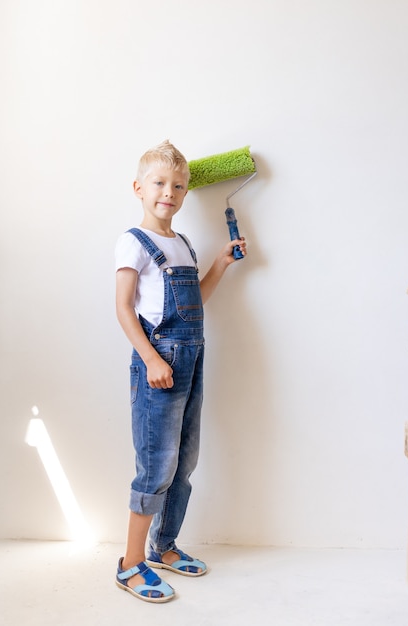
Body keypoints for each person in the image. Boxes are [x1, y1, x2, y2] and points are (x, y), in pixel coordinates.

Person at [114, 140, 247, 603]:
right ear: (139, 187)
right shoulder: (134, 241)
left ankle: (163, 546)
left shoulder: (184, 243)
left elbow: (196, 302)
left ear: (186, 192)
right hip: (158, 366)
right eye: (159, 183)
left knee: (183, 462)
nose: (169, 192)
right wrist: (151, 358)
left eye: (178, 185)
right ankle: (130, 564)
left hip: (192, 360)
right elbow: (124, 309)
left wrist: (221, 264)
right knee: (155, 468)